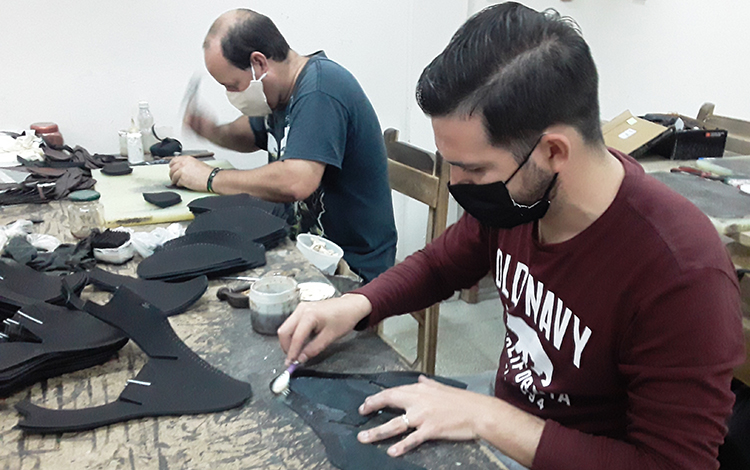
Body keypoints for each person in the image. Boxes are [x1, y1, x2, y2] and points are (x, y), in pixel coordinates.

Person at [277, 3, 745, 469]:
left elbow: (672, 465)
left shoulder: (681, 273)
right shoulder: (523, 201)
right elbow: (442, 264)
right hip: (509, 410)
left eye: (473, 168)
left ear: (553, 151)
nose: (456, 185)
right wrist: (358, 304)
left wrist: (488, 418)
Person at [170, 9, 397, 283]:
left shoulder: (320, 91)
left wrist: (210, 177)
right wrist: (210, 130)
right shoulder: (278, 97)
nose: (231, 95)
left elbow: (296, 182)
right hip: (304, 246)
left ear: (259, 64)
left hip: (350, 266)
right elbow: (247, 135)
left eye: (232, 85)